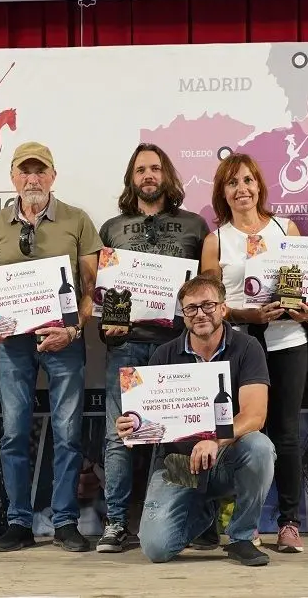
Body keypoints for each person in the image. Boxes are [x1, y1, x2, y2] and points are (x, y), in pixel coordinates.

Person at [0, 141, 103, 553]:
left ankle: (65, 521)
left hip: (63, 341)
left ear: (53, 175)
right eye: (24, 171)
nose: (33, 178)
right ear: (12, 176)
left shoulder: (77, 220)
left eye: (40, 171)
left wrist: (74, 329)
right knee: (13, 434)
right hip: (13, 345)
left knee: (67, 434)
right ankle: (18, 521)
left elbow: (92, 289)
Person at [95, 143, 209, 553]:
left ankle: (186, 520)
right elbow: (105, 297)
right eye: (141, 169)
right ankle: (115, 524)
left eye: (155, 168)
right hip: (126, 347)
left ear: (167, 176)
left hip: (180, 347)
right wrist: (109, 328)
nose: (148, 175)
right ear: (131, 178)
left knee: (180, 435)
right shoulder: (111, 229)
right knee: (119, 437)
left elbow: (207, 292)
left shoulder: (196, 226)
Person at [198, 152, 308, 553]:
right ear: (222, 193)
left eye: (248, 180)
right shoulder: (216, 241)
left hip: (287, 343)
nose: (242, 189)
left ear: (260, 185)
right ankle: (246, 524)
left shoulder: (287, 228)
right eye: (233, 183)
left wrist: (302, 308)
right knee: (246, 434)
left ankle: (289, 523)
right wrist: (249, 313)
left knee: (287, 433)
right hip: (239, 347)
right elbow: (210, 304)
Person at [122, 274, 275, 566]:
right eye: (191, 308)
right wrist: (132, 427)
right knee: (156, 549)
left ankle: (241, 537)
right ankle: (204, 512)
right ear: (183, 313)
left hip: (228, 455)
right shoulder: (164, 354)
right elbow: (150, 417)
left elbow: (255, 415)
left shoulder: (247, 347)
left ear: (223, 309)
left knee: (260, 447)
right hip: (179, 463)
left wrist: (215, 442)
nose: (200, 314)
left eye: (207, 305)